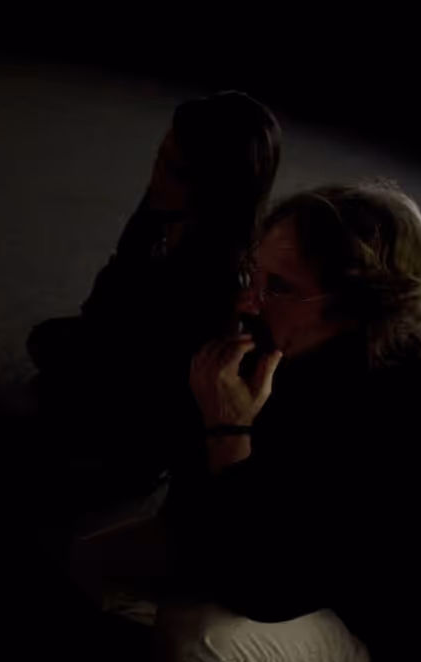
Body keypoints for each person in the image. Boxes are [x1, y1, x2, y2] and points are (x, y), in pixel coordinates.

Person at [69, 180, 421, 662]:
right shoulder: (271, 348)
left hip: (364, 611)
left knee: (204, 642)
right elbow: (189, 508)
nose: (246, 300)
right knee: (84, 570)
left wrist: (227, 433)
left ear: (358, 308)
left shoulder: (417, 430)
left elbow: (263, 589)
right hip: (257, 548)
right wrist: (195, 400)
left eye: (276, 286)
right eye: (250, 274)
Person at [27, 91, 283, 528]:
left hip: (157, 388)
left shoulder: (226, 276)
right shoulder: (164, 206)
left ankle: (137, 461)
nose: (156, 177)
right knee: (46, 346)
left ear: (215, 188)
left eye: (176, 171)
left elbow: (176, 382)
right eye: (161, 157)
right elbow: (117, 273)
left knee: (62, 414)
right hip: (126, 338)